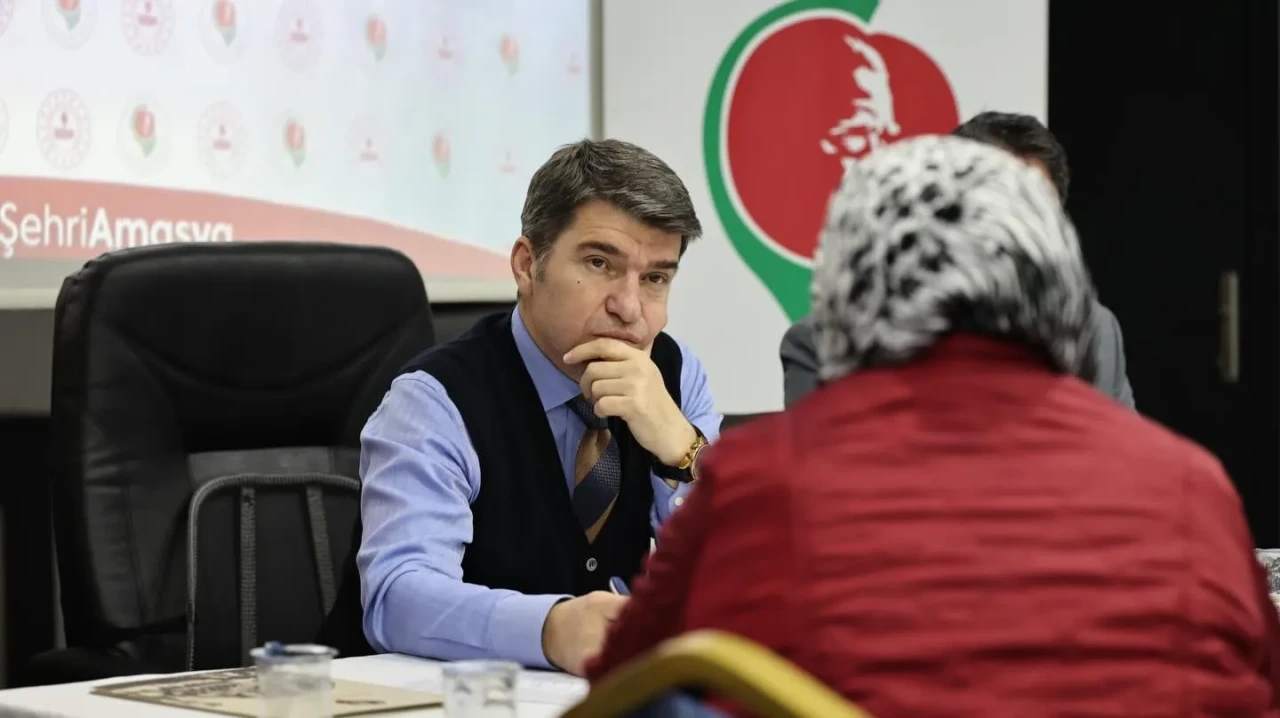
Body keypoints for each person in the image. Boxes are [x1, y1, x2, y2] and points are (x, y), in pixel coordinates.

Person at [587, 136, 1280, 716]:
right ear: (1061, 287)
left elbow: (624, 688)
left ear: (844, 294)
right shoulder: (1190, 483)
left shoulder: (762, 481)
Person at [352, 139, 721, 676]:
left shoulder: (677, 375)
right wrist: (550, 629)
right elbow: (397, 596)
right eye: (599, 263)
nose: (629, 308)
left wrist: (681, 450)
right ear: (527, 265)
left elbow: (742, 579)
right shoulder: (435, 398)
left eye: (655, 279)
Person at [781, 111, 1135, 408]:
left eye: (1031, 218)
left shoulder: (1096, 335)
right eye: (992, 212)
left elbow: (1122, 462)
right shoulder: (826, 344)